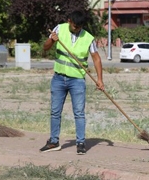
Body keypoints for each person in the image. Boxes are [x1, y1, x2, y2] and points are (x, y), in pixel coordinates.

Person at [40, 10, 105, 155]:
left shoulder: (88, 38)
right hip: (58, 78)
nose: (77, 29)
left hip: (77, 81)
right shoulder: (59, 28)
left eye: (79, 27)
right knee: (55, 112)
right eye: (75, 26)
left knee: (79, 113)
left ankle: (81, 143)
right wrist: (52, 40)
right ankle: (53, 141)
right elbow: (45, 48)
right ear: (69, 21)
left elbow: (96, 58)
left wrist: (100, 80)